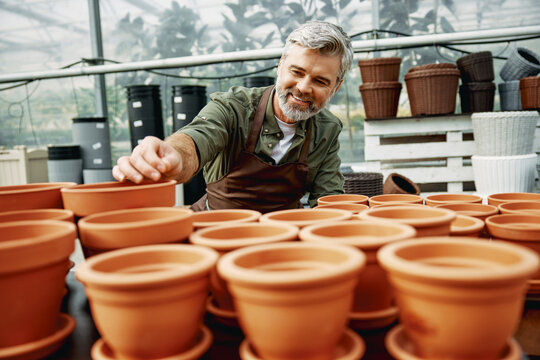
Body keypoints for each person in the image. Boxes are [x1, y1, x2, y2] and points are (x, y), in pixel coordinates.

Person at [113, 20, 354, 213]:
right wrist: (172, 156)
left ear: (337, 86)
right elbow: (195, 141)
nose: (303, 87)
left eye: (320, 81)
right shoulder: (234, 108)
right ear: (280, 65)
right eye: (297, 71)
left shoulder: (327, 129)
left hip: (283, 240)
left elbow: (329, 200)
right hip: (217, 232)